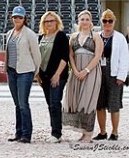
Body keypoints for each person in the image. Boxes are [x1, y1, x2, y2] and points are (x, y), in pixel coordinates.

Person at [62, 10, 103, 142]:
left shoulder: (96, 36)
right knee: (77, 100)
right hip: (76, 73)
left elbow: (97, 56)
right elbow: (70, 55)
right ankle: (82, 133)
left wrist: (85, 71)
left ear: (91, 21)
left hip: (91, 72)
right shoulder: (73, 36)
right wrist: (75, 70)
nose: (84, 21)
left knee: (88, 101)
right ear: (78, 21)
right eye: (82, 19)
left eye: (87, 19)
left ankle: (88, 133)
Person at [5, 6, 41, 143]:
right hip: (12, 71)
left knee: (23, 103)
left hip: (25, 72)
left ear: (24, 18)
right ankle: (18, 133)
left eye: (20, 17)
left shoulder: (30, 34)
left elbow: (36, 55)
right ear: (12, 18)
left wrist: (35, 72)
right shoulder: (9, 33)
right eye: (15, 17)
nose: (17, 19)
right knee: (17, 104)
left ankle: (26, 134)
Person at [93, 9, 129, 141]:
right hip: (98, 72)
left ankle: (115, 132)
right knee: (99, 103)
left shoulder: (119, 38)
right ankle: (102, 132)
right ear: (101, 22)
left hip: (114, 73)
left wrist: (121, 76)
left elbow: (125, 58)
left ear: (114, 22)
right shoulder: (97, 36)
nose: (107, 23)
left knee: (114, 103)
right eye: (105, 20)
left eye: (110, 21)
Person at [36, 11, 69, 143]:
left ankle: (56, 133)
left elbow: (64, 57)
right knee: (50, 104)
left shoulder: (61, 36)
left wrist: (57, 75)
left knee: (55, 103)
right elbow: (38, 57)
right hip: (44, 76)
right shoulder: (41, 37)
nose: (49, 23)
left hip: (58, 76)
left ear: (57, 22)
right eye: (46, 21)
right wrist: (37, 75)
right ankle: (54, 131)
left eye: (51, 21)